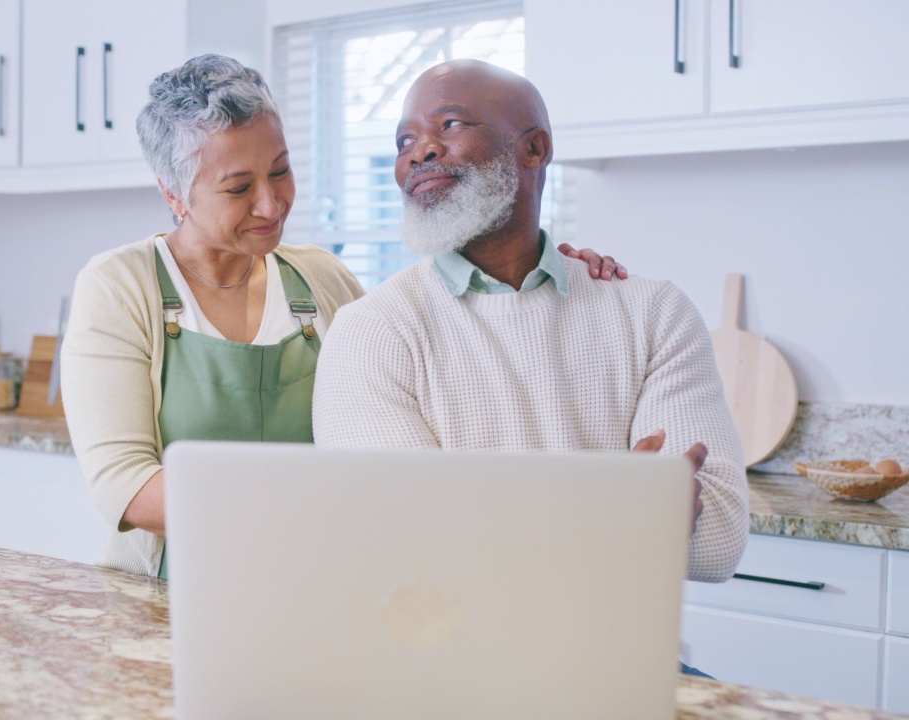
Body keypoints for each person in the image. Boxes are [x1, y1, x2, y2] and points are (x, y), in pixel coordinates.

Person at [61, 54, 629, 578]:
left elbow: (425, 345)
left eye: (280, 171)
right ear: (173, 194)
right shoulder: (121, 286)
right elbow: (125, 486)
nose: (271, 203)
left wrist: (547, 272)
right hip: (169, 592)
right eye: (238, 188)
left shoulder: (321, 280)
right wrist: (326, 504)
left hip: (316, 583)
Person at [313, 59, 748, 585]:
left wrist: (495, 519)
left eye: (449, 125)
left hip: (618, 656)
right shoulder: (372, 330)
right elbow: (407, 541)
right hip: (444, 661)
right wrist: (622, 515)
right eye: (404, 141)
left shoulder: (654, 312)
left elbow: (719, 543)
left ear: (535, 148)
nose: (419, 152)